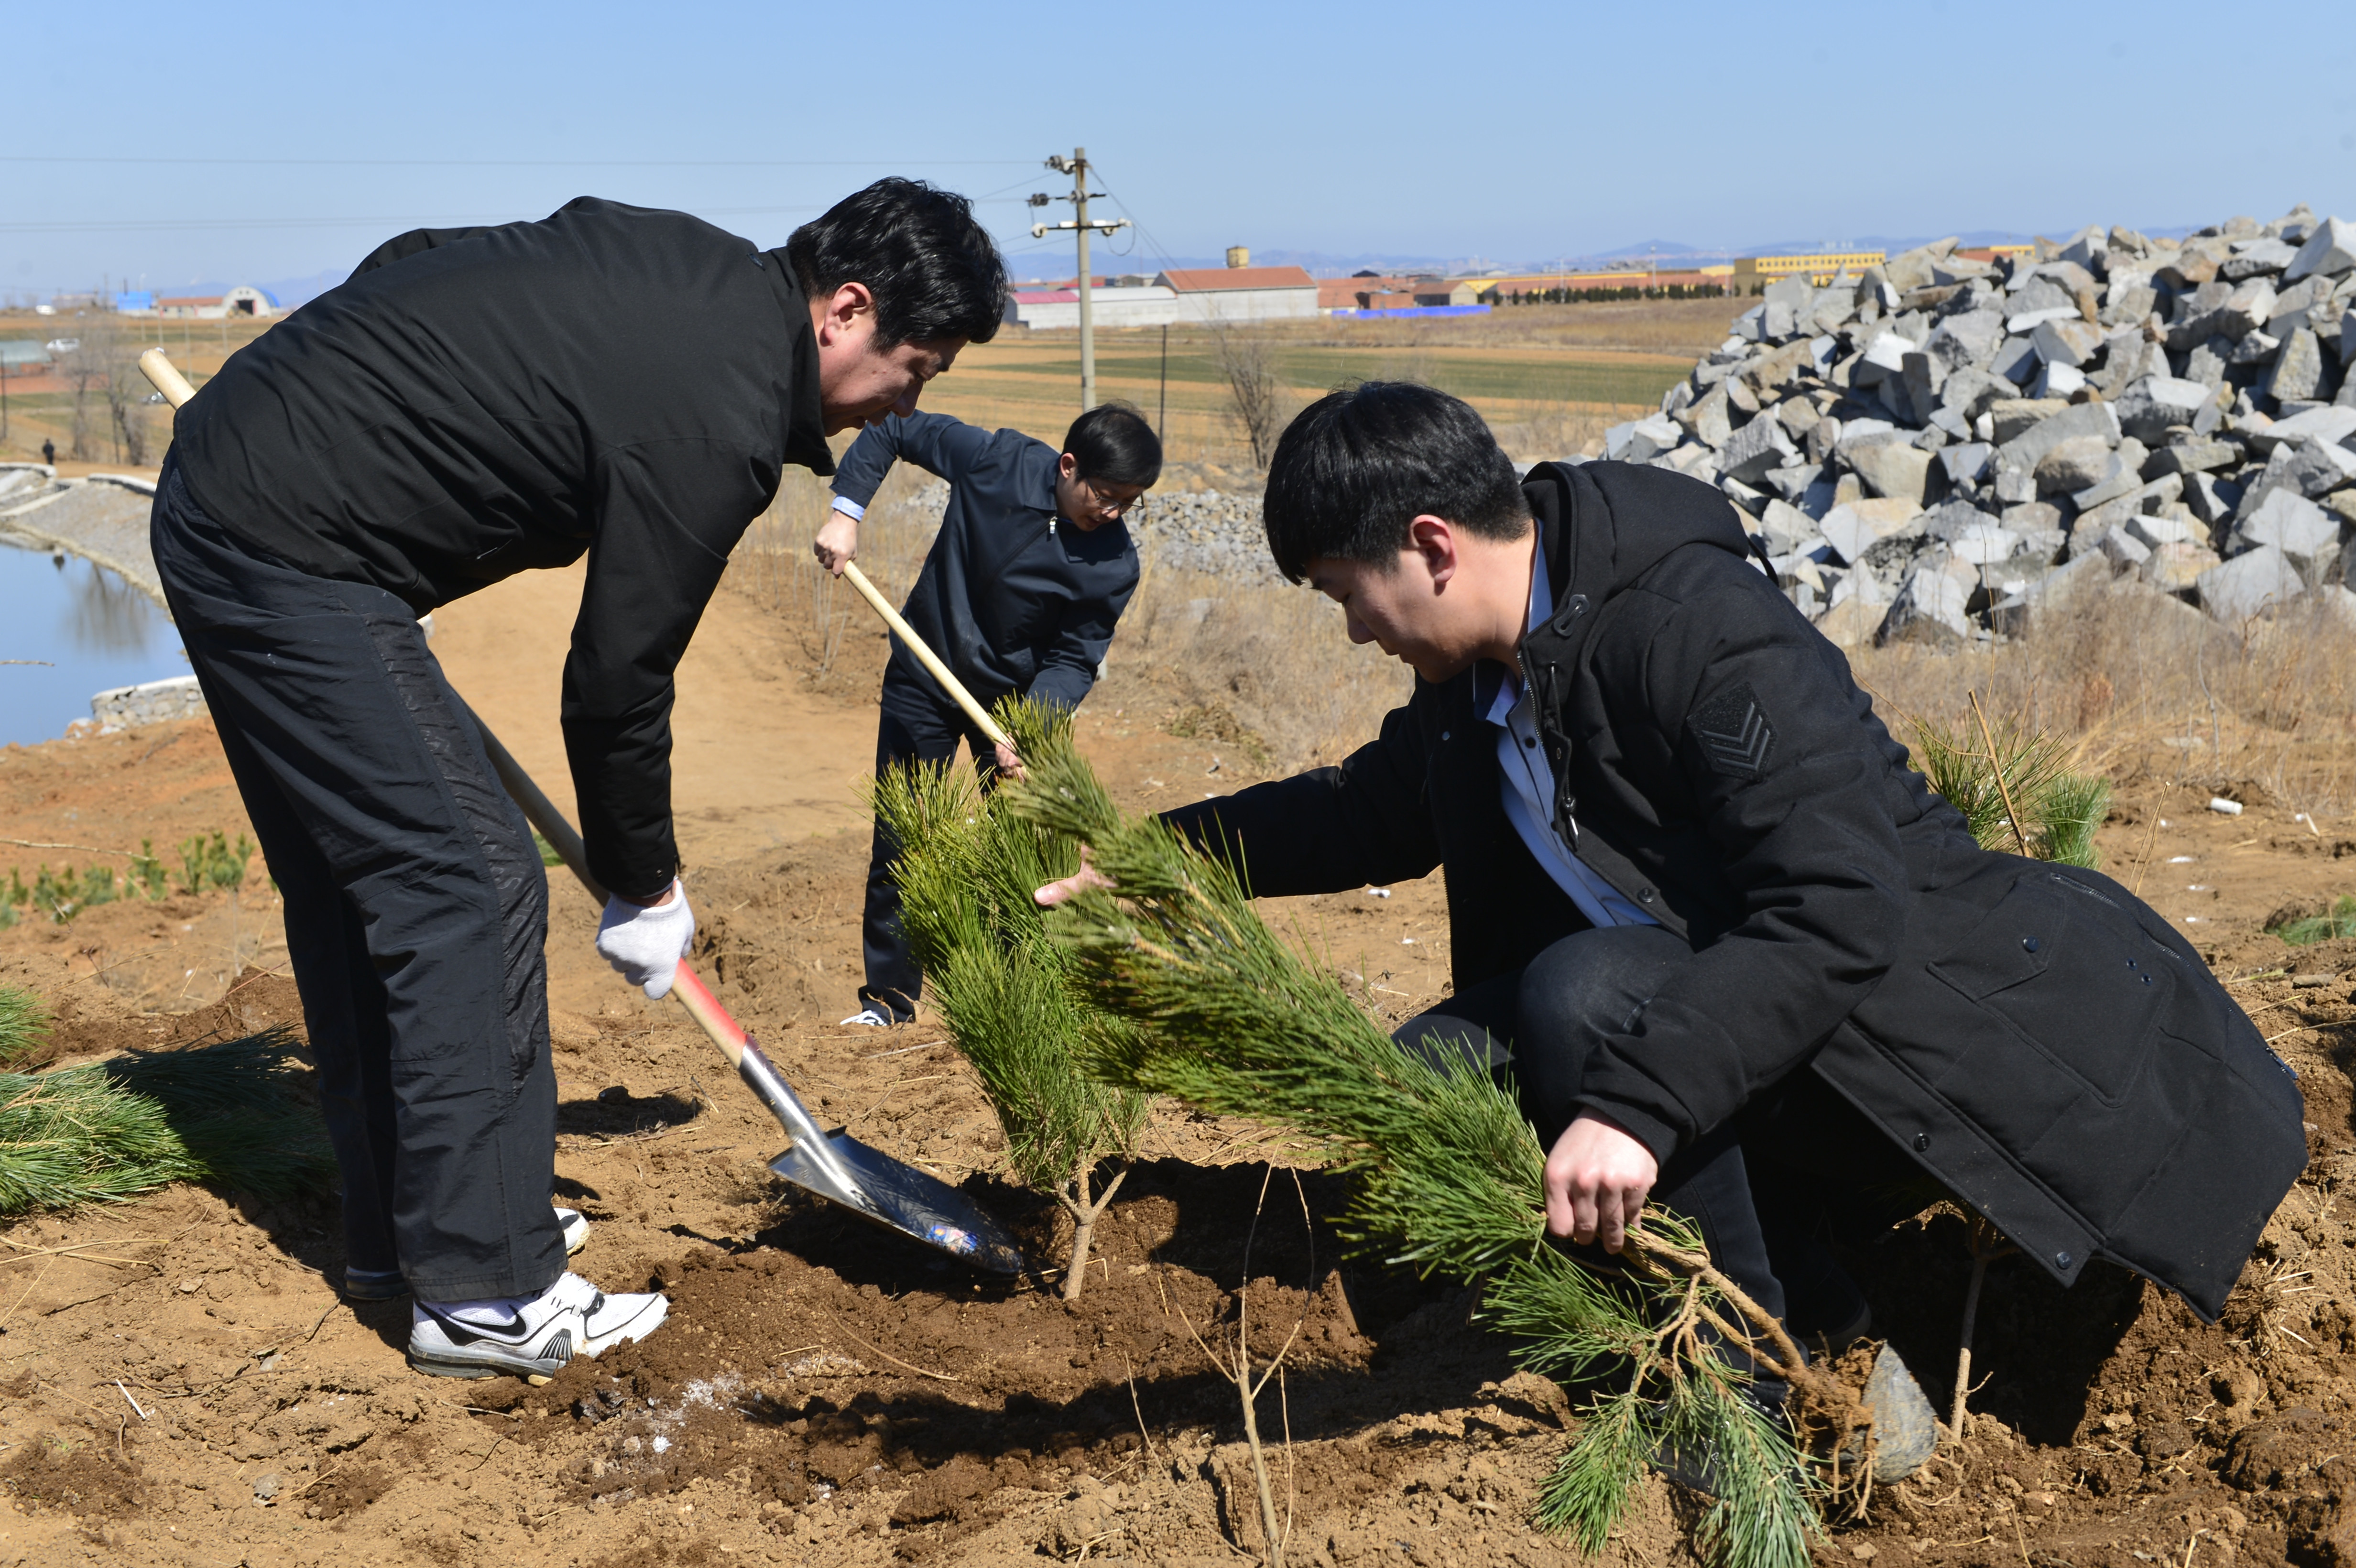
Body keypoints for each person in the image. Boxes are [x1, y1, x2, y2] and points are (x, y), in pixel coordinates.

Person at [1041, 381, 2302, 1384]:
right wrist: (1157, 861)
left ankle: (1770, 1363)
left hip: (1899, 1048)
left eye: (1348, 596)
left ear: (1429, 547)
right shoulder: (1475, 681)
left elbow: (1842, 908)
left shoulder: (1696, 629)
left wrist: (1634, 1109)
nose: (1355, 631)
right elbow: (1368, 813)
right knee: (1428, 1077)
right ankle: (1748, 1285)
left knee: (1587, 998)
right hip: (1728, 1021)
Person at [151, 181, 1006, 1382]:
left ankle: (410, 1238)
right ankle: (489, 1293)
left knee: (370, 887)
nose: (908, 402)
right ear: (846, 309)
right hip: (289, 545)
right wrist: (645, 884)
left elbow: (426, 253)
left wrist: (371, 442)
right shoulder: (722, 419)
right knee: (466, 878)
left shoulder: (688, 262)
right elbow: (614, 679)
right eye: (914, 368)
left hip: (258, 495)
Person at [817, 402, 1157, 1027]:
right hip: (926, 669)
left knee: (1019, 855)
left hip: (1013, 708)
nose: (1112, 513)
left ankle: (1015, 1003)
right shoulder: (994, 460)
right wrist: (847, 511)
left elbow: (1076, 656)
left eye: (1129, 503)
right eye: (1105, 496)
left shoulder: (1113, 564)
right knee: (903, 838)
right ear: (1068, 466)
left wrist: (1032, 726)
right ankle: (890, 1002)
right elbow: (893, 425)